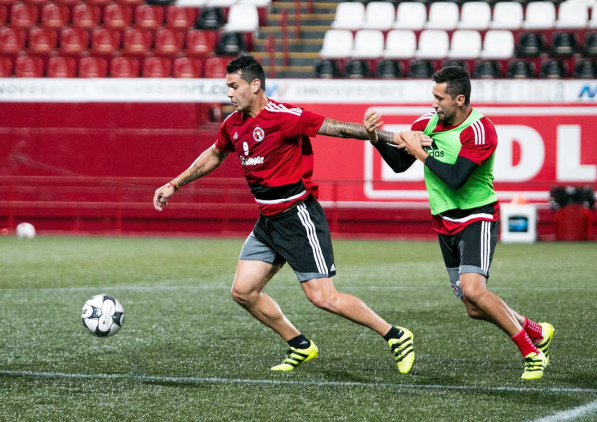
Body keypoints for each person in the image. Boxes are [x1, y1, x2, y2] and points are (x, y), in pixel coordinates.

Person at [154, 55, 430, 374]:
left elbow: (338, 129)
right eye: (227, 86)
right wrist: (175, 183)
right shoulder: (233, 124)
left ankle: (396, 336)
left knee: (324, 298)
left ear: (255, 85)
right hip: (268, 221)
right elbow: (214, 155)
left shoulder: (285, 116)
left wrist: (393, 137)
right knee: (243, 292)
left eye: (234, 86)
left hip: (298, 216)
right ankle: (300, 345)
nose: (228, 93)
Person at [364, 66, 555, 380]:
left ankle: (530, 352)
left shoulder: (481, 130)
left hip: (476, 217)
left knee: (473, 289)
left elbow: (455, 178)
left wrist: (420, 153)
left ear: (460, 99)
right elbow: (399, 165)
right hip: (444, 222)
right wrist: (374, 139)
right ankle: (537, 331)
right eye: (433, 95)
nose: (434, 102)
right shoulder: (426, 122)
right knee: (473, 306)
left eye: (440, 97)